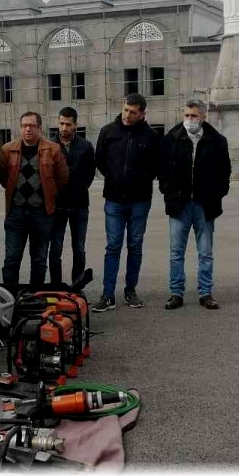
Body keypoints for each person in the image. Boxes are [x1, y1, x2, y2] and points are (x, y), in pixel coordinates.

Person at [158, 99, 231, 310]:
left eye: (194, 116)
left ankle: (206, 293)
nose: (190, 120)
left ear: (203, 116)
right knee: (176, 252)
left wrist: (216, 194)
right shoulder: (171, 139)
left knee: (205, 252)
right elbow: (162, 172)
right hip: (179, 204)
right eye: (187, 115)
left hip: (204, 204)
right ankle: (176, 293)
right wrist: (169, 193)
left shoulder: (217, 140)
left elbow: (224, 172)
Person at [93, 93, 161, 312]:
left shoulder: (151, 136)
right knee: (113, 246)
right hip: (113, 200)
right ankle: (107, 294)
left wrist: (139, 179)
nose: (127, 115)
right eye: (125, 109)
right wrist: (114, 178)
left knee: (135, 246)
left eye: (133, 112)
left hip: (140, 201)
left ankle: (130, 291)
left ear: (143, 113)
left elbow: (155, 167)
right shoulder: (108, 132)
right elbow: (100, 161)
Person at [0, 111, 68, 288]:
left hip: (42, 213)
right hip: (16, 213)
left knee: (39, 260)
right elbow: (4, 178)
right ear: (20, 128)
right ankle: (10, 297)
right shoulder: (8, 149)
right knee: (12, 258)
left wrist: (48, 195)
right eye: (24, 126)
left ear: (39, 128)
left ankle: (35, 296)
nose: (28, 129)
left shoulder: (53, 149)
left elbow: (62, 178)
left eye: (32, 125)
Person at [49, 106, 96, 285]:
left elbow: (90, 173)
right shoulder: (50, 146)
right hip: (57, 206)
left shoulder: (85, 147)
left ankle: (77, 286)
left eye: (68, 124)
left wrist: (79, 187)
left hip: (79, 205)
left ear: (75, 125)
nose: (64, 128)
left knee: (79, 249)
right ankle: (56, 286)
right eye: (61, 123)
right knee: (55, 249)